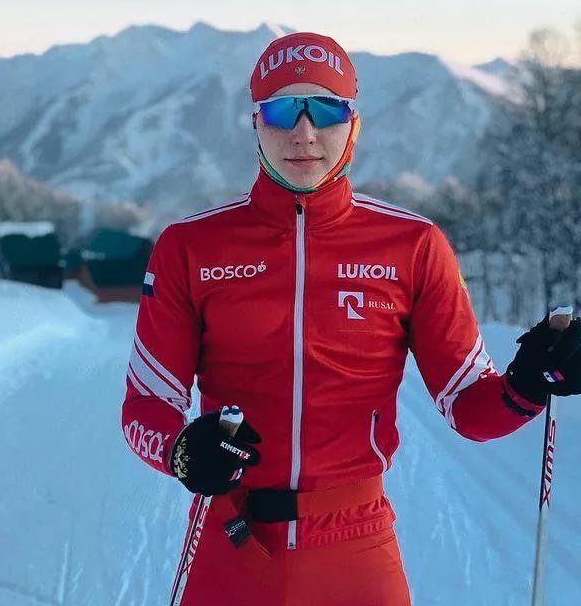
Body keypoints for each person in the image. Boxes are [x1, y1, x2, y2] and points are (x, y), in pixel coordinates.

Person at [121, 31, 581, 605]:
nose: (304, 132)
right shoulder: (190, 247)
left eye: (325, 110)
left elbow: (471, 409)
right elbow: (145, 405)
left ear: (353, 123)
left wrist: (530, 383)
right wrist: (180, 450)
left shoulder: (413, 246)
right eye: (283, 111)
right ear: (256, 123)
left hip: (355, 543)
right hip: (231, 539)